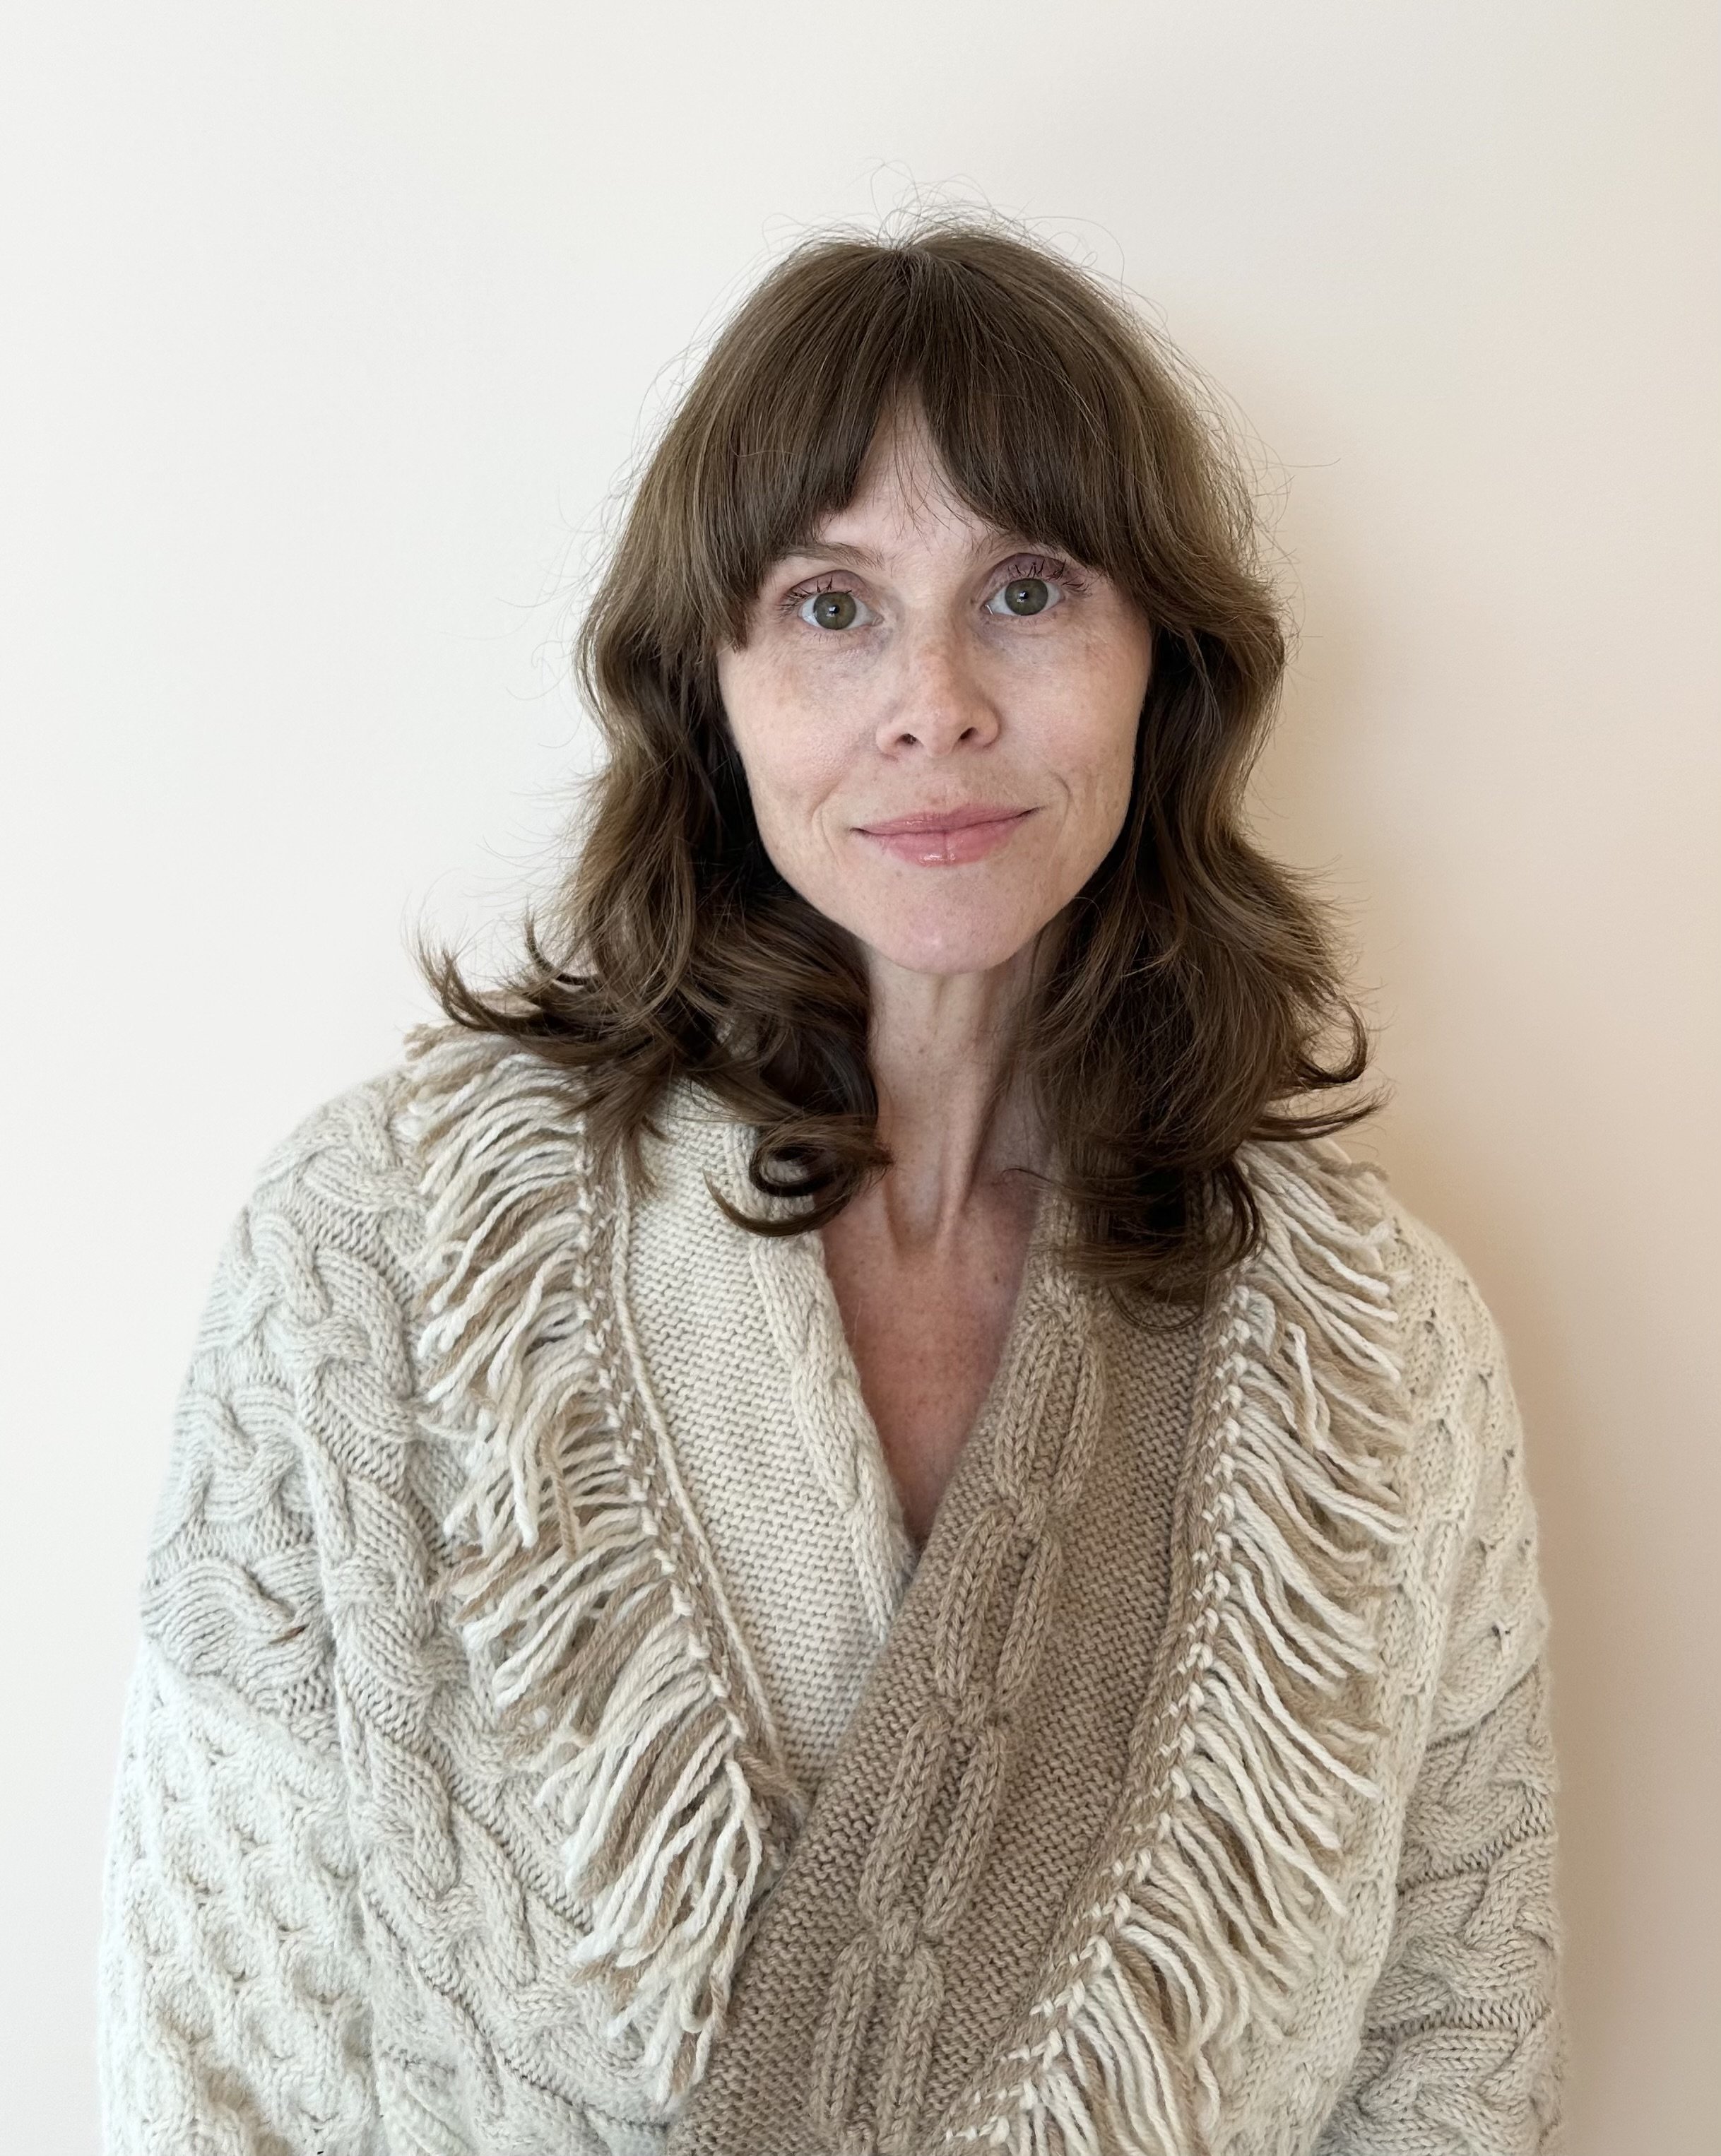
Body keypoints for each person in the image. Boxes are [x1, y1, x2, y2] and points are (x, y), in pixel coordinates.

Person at [98, 218, 1566, 2156]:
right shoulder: (377, 1254)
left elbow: (1460, 2035)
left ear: (1163, 668)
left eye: (1026, 591)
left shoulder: (1373, 1358)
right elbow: (212, 2042)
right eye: (829, 605)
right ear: (708, 684)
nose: (934, 701)